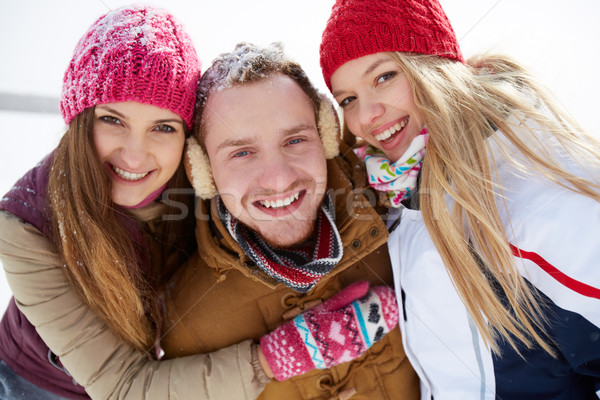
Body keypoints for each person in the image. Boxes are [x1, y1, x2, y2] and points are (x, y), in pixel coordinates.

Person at [319, 0, 600, 398]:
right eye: (347, 99)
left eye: (383, 77)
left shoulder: (534, 201)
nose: (366, 115)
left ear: (432, 65)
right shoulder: (401, 202)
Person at [0, 6, 273, 400]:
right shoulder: (25, 226)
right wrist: (277, 361)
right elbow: (124, 386)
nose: (134, 155)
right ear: (81, 120)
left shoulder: (200, 189)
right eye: (113, 120)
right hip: (35, 384)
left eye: (163, 127)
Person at [159, 42, 421, 400]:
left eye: (295, 140)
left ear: (326, 135)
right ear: (203, 171)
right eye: (242, 152)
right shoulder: (186, 324)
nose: (279, 179)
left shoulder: (400, 220)